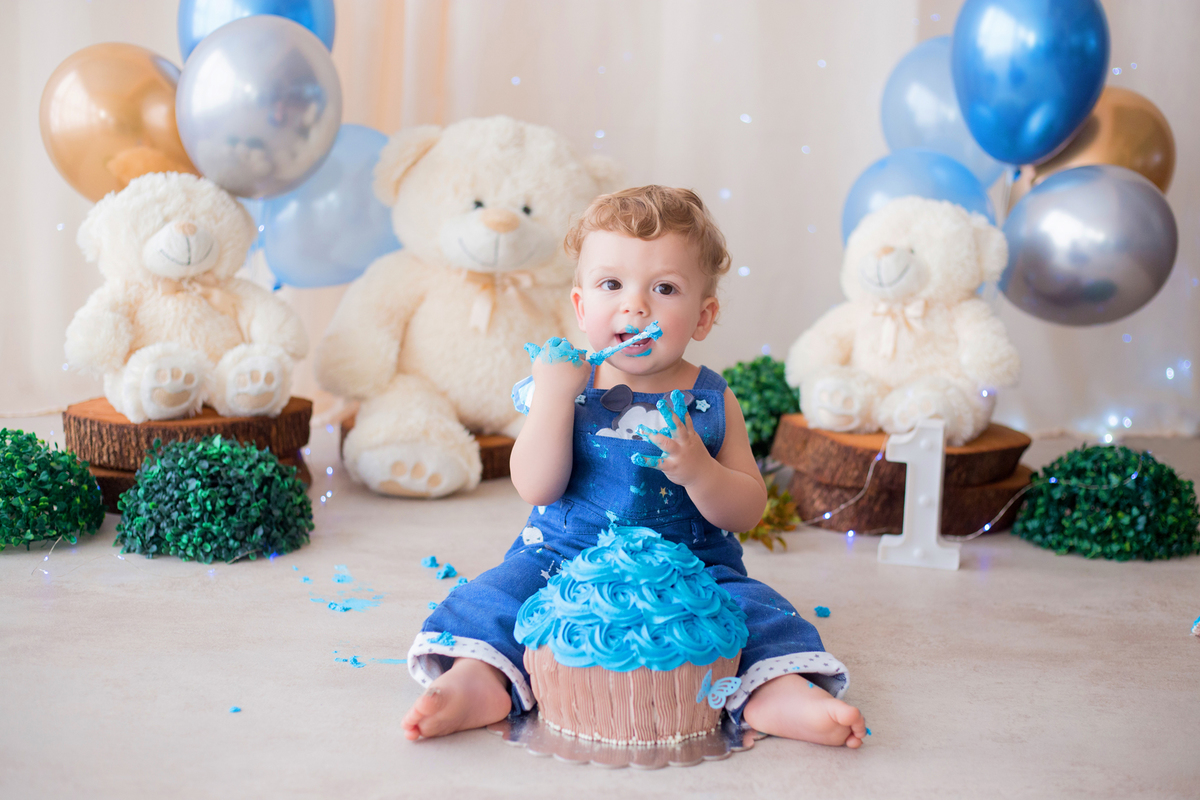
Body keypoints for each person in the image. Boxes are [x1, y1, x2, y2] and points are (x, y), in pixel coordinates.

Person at [402, 186, 866, 747]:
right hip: (562, 554)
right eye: (611, 285)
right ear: (581, 308)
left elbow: (747, 510)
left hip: (692, 563)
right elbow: (536, 486)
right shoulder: (566, 384)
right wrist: (554, 399)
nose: (635, 306)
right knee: (498, 596)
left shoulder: (712, 399)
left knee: (754, 612)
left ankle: (776, 692)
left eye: (664, 288)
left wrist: (700, 471)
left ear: (703, 316)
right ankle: (479, 679)